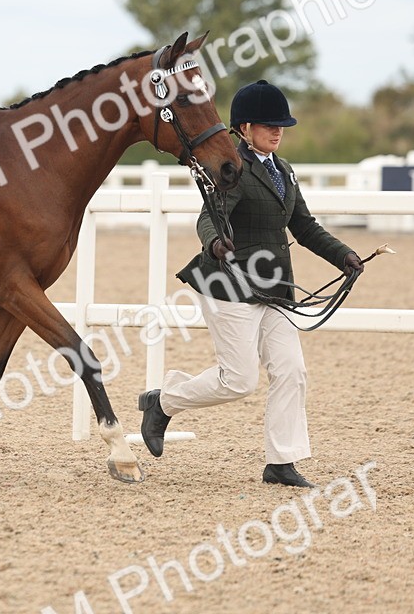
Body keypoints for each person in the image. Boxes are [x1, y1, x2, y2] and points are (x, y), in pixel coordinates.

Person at [138, 80, 364, 487]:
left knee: (292, 371)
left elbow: (305, 227)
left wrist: (343, 255)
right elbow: (209, 217)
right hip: (231, 284)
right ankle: (163, 402)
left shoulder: (285, 171)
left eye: (281, 126)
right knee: (239, 381)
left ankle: (281, 462)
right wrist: (214, 242)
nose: (277, 132)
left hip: (274, 288)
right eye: (268, 125)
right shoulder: (231, 168)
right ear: (244, 128)